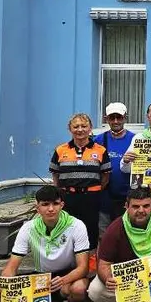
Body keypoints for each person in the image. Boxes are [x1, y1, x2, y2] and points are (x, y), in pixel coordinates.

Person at [0, 186, 90, 302]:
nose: (50, 209)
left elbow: (83, 267)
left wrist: (63, 280)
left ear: (62, 205)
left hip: (68, 274)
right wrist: (2, 283)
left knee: (78, 289)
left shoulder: (76, 225)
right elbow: (12, 266)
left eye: (55, 203)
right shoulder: (28, 228)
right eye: (45, 204)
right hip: (41, 277)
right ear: (37, 208)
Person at [49, 113, 111, 272]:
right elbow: (55, 174)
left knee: (91, 232)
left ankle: (90, 269)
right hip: (68, 198)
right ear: (70, 129)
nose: (80, 130)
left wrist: (93, 189)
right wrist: (60, 192)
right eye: (76, 126)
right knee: (66, 231)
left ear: (90, 128)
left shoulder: (101, 150)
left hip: (91, 198)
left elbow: (105, 176)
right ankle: (68, 267)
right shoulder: (60, 150)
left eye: (84, 126)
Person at [94, 102, 136, 226]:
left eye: (119, 117)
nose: (116, 121)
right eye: (112, 118)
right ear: (106, 119)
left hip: (128, 196)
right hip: (105, 197)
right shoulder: (99, 140)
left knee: (126, 233)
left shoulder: (135, 139)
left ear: (125, 118)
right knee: (105, 235)